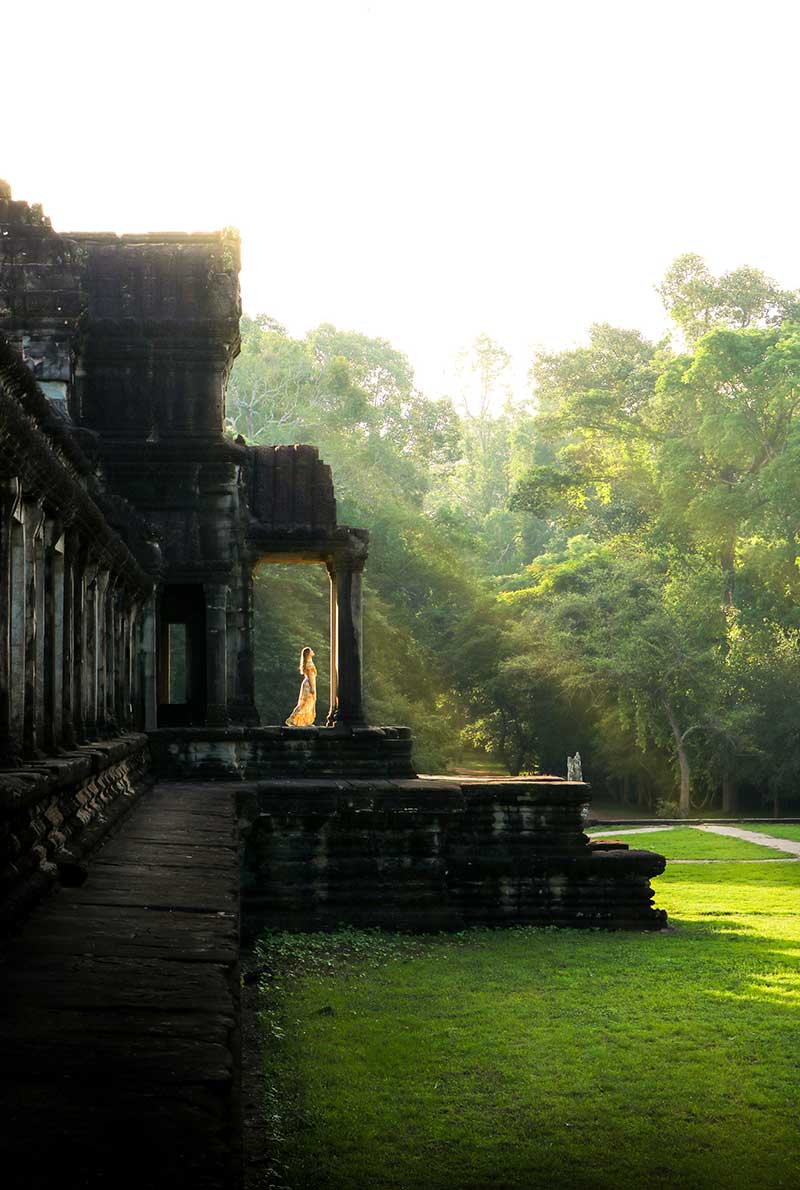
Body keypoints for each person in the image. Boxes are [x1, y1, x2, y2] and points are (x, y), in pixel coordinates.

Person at [285, 646, 317, 726]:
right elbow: (310, 675)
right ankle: (292, 719)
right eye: (311, 650)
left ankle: (305, 722)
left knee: (307, 703)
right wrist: (312, 687)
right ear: (308, 653)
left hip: (308, 683)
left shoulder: (308, 661)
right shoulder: (309, 663)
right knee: (305, 703)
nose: (313, 651)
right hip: (309, 684)